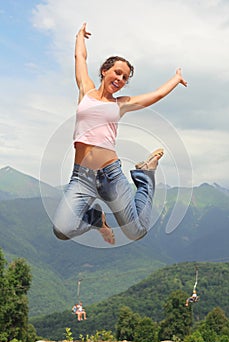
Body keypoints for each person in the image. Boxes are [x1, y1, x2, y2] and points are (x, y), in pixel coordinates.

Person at [53, 22, 187, 245]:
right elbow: (80, 59)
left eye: (125, 78)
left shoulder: (121, 104)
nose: (121, 79)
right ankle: (96, 218)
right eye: (118, 72)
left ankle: (146, 176)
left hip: (111, 176)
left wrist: (175, 79)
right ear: (104, 71)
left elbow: (154, 96)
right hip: (81, 177)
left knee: (136, 232)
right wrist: (79, 37)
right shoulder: (86, 90)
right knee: (62, 229)